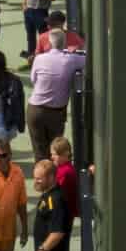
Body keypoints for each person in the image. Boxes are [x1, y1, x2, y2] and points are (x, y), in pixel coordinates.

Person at [27, 22, 84, 160]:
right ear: (65, 43)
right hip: (56, 113)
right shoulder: (71, 60)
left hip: (35, 109)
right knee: (56, 154)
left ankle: (40, 178)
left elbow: (33, 79)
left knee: (39, 153)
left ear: (50, 43)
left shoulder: (39, 59)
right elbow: (87, 59)